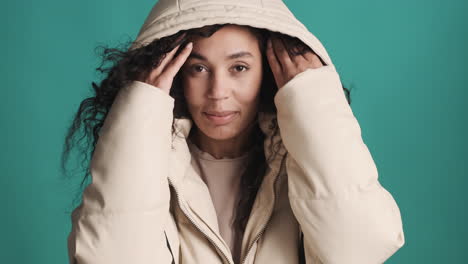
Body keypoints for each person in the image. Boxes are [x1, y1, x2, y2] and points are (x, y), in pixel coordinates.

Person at [63, 0, 405, 263]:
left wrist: (312, 100)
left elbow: (359, 248)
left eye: (239, 67)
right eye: (198, 68)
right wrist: (139, 110)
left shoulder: (304, 162)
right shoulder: (149, 162)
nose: (217, 91)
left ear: (269, 70)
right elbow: (111, 256)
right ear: (175, 73)